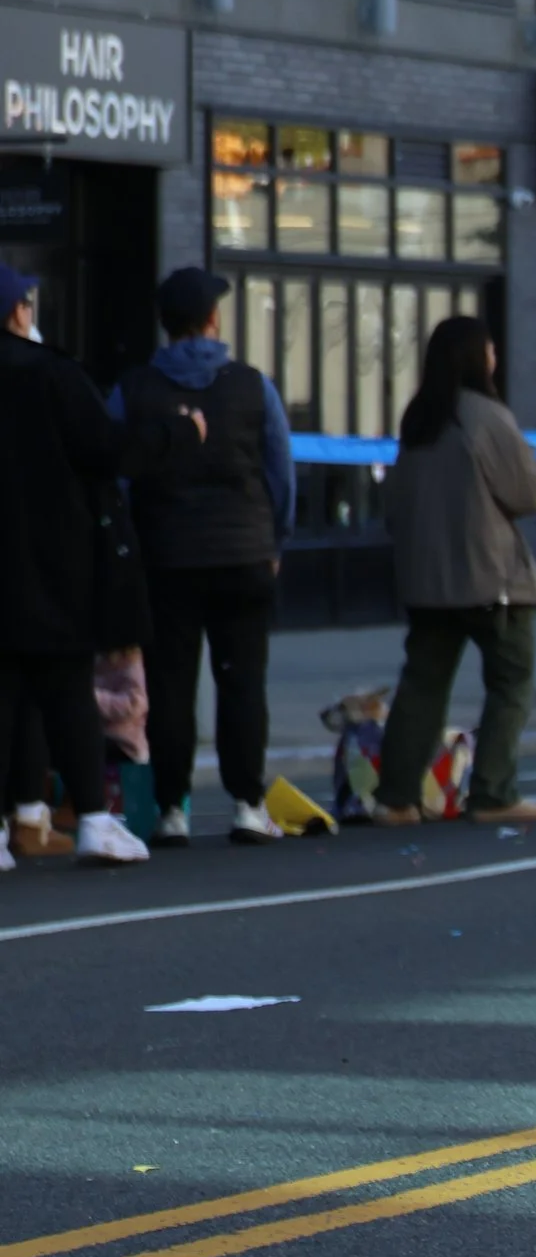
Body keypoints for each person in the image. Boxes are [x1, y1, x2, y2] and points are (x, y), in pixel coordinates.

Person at [0, 263, 187, 866]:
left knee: (7, 696)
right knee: (66, 692)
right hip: (55, 561)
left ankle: (17, 821)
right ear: (17, 313)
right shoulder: (52, 375)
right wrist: (173, 435)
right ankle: (94, 820)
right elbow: (108, 450)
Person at [116, 264, 294, 844]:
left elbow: (115, 473)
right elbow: (280, 471)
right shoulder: (252, 384)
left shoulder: (135, 388)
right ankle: (246, 802)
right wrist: (275, 539)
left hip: (166, 558)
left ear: (167, 326)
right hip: (244, 554)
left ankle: (172, 809)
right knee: (243, 681)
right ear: (213, 321)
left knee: (169, 685)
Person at [373, 317, 536, 825]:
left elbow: (395, 502)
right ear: (477, 356)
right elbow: (527, 493)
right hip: (492, 578)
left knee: (423, 684)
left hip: (428, 580)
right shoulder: (486, 416)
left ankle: (397, 797)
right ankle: (493, 792)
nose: (494, 356)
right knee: (511, 681)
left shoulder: (418, 418)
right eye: (490, 347)